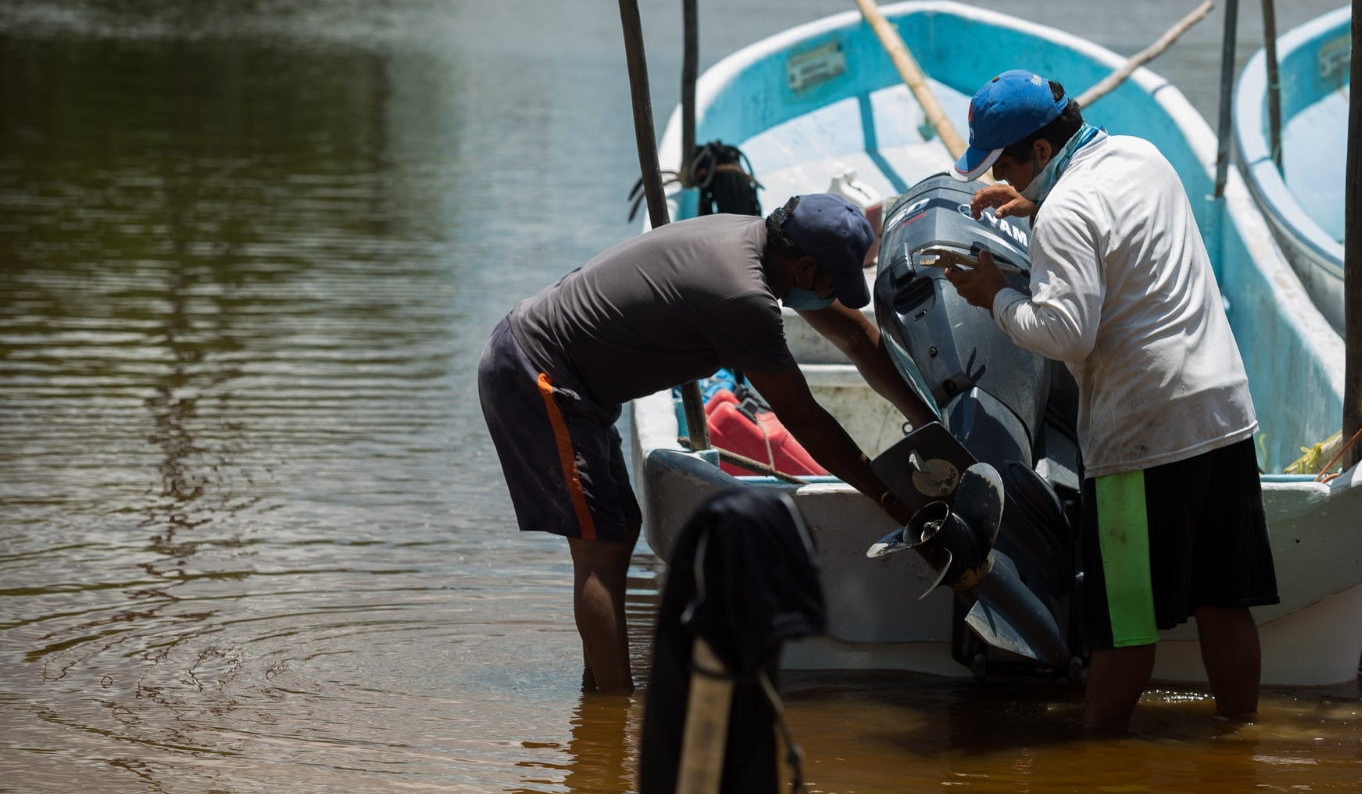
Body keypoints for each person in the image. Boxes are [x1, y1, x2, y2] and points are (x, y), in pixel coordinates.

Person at [477, 193, 936, 693]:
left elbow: (856, 339)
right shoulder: (743, 297)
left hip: (569, 373)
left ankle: (598, 705)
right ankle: (613, 719)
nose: (835, 295)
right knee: (600, 548)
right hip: (536, 374)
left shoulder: (761, 242)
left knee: (620, 529)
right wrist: (889, 497)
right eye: (833, 283)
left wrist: (930, 420)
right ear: (804, 267)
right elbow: (803, 417)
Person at [943, 70, 1278, 732]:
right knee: (1223, 600)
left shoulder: (1066, 211)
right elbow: (1118, 237)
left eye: (1007, 162)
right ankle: (1243, 742)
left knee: (1121, 626)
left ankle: (1098, 769)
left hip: (1143, 433)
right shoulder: (1142, 156)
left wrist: (996, 295)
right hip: (1222, 414)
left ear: (1041, 152)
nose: (1003, 175)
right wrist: (1040, 212)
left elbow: (1067, 334)